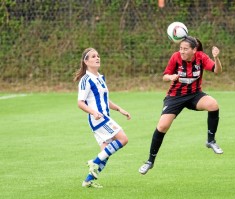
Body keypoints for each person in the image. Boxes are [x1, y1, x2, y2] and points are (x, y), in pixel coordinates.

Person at [139, 36, 223, 175]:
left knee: (213, 104)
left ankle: (211, 141)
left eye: (185, 49)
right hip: (175, 97)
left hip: (195, 95)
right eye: (180, 48)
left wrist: (216, 58)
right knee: (162, 126)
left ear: (194, 50)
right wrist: (170, 77)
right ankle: (150, 161)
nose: (182, 51)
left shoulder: (201, 57)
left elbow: (217, 71)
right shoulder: (175, 57)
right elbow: (165, 76)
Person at [74, 47, 131, 188]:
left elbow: (105, 100)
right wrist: (93, 112)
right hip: (98, 119)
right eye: (93, 56)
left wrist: (119, 109)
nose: (97, 58)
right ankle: (94, 162)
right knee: (123, 139)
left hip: (104, 117)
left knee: (105, 152)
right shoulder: (86, 80)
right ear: (86, 61)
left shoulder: (100, 77)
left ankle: (87, 181)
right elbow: (80, 103)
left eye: (98, 55)